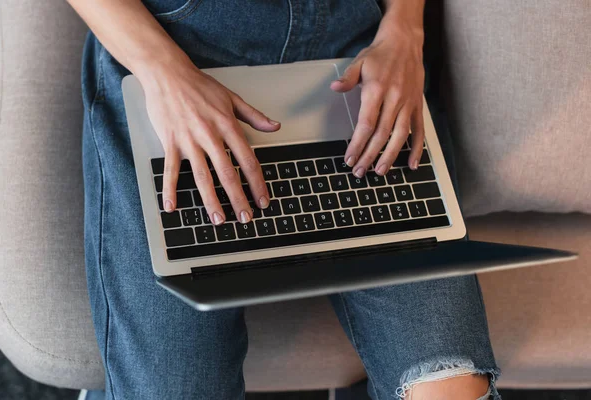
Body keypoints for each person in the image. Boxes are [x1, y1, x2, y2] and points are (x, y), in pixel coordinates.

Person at [67, 0, 501, 398]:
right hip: (177, 55)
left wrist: (405, 29)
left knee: (452, 388)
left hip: (354, 58)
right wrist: (162, 71)